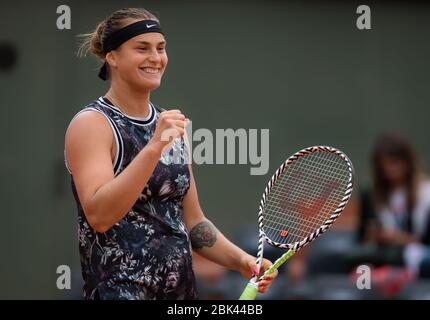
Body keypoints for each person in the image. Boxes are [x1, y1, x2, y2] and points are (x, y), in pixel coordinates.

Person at [64, 7, 277, 300]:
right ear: (112, 57)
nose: (155, 58)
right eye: (142, 48)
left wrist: (242, 261)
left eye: (161, 48)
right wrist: (154, 147)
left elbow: (193, 223)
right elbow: (100, 215)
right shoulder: (91, 123)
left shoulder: (170, 124)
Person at [358, 133, 430, 277]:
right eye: (384, 164)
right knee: (362, 268)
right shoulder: (370, 194)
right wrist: (373, 236)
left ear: (407, 162)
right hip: (382, 257)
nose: (389, 169)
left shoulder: (426, 193)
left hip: (418, 257)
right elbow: (361, 237)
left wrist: (401, 239)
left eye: (395, 162)